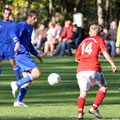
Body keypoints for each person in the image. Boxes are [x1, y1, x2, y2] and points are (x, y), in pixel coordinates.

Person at [75, 24, 117, 119]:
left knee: (83, 93)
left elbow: (77, 58)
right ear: (100, 33)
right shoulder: (99, 39)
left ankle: (80, 112)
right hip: (93, 68)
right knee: (104, 87)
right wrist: (112, 64)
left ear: (90, 33)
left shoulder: (83, 41)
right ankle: (94, 108)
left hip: (81, 70)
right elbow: (105, 52)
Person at [10, 9, 43, 107]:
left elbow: (28, 43)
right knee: (37, 73)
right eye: (34, 18)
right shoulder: (21, 25)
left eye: (37, 19)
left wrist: (37, 54)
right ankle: (16, 84)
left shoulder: (30, 28)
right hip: (22, 53)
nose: (36, 20)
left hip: (21, 54)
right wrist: (17, 42)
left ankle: (18, 101)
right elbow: (12, 32)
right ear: (29, 17)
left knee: (28, 80)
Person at [0, 8, 21, 81]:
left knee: (13, 63)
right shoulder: (0, 23)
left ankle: (19, 79)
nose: (7, 15)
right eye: (5, 13)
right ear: (3, 14)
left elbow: (17, 34)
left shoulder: (13, 24)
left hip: (9, 46)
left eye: (8, 14)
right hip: (0, 45)